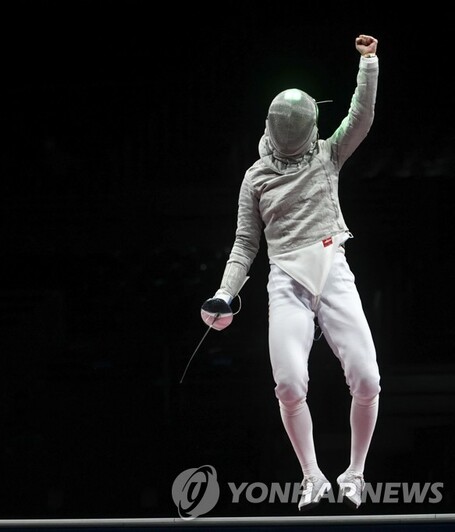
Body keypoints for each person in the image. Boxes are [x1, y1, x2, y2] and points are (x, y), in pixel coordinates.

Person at [200, 35, 380, 511]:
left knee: (366, 378)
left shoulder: (328, 155)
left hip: (332, 271)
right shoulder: (256, 177)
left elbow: (360, 118)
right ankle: (312, 475)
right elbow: (245, 243)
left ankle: (356, 472)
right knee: (288, 384)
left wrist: (369, 64)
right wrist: (224, 293)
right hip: (287, 281)